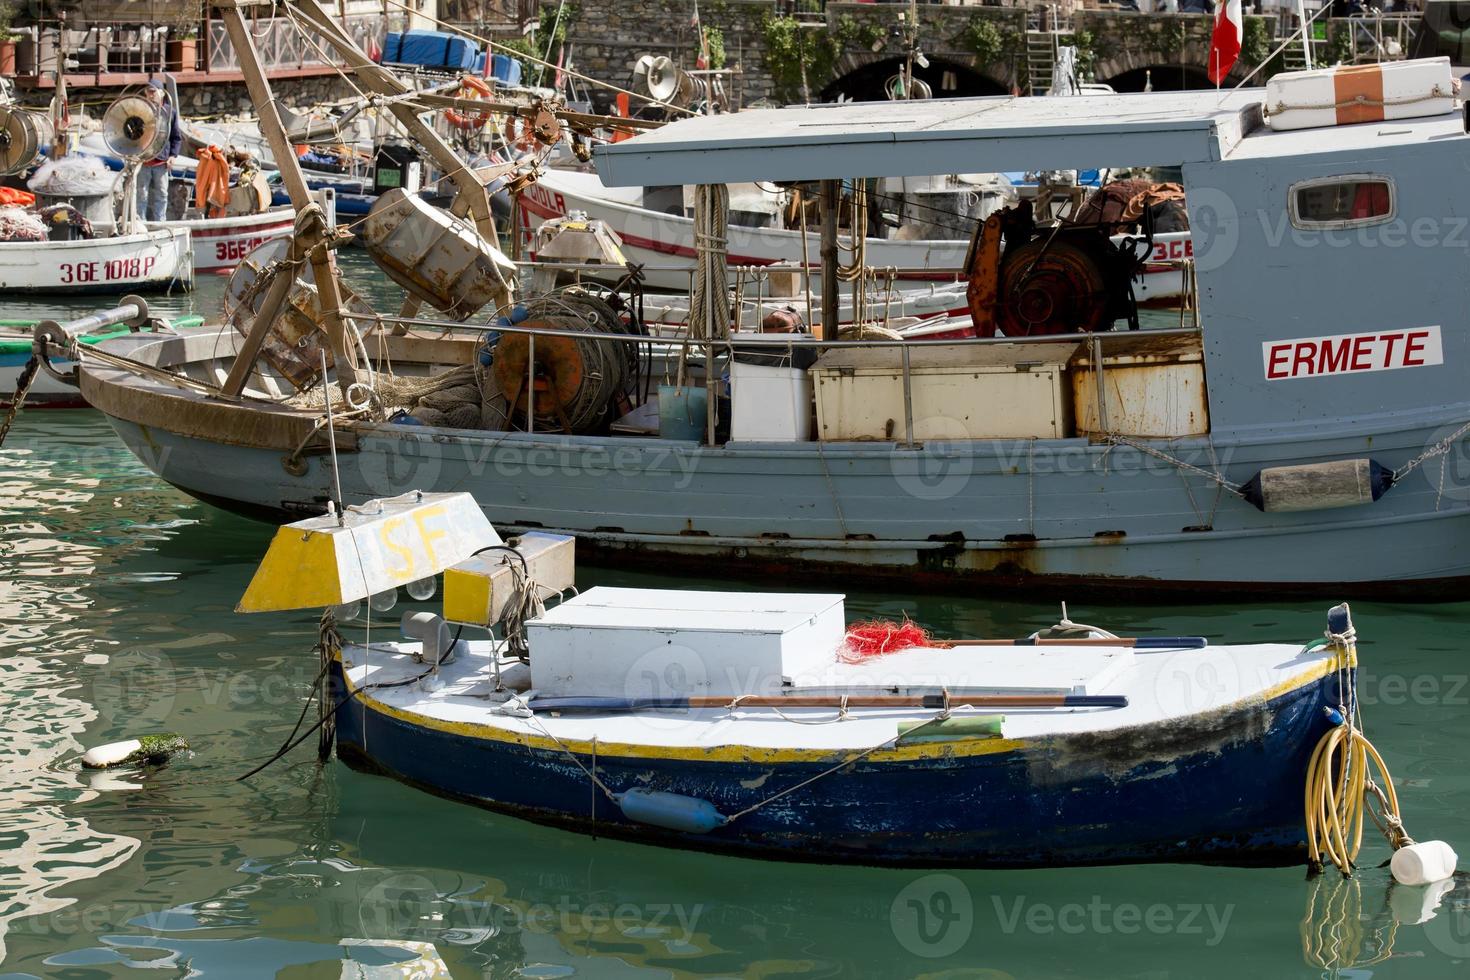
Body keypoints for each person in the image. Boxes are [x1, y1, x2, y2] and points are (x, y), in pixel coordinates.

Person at [136, 78, 182, 223]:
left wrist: (173, 155)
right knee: (141, 193)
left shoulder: (170, 113)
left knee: (161, 194)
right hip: (143, 160)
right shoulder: (141, 110)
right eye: (148, 92)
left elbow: (176, 137)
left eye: (153, 92)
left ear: (161, 93)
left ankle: (160, 222)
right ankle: (140, 222)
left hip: (161, 162)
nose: (150, 96)